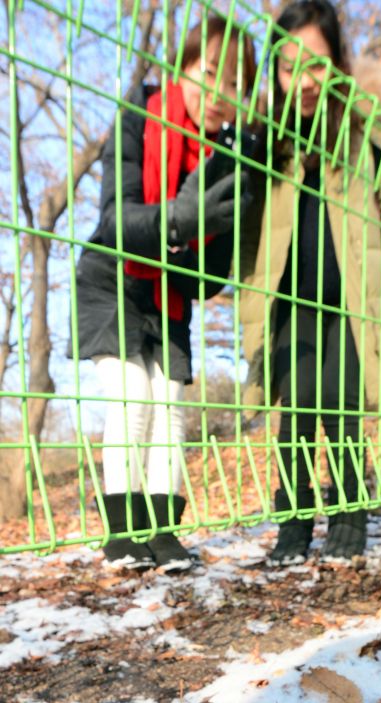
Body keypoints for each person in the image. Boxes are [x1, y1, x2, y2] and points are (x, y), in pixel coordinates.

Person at [74, 16, 256, 570]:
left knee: (170, 403)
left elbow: (211, 279)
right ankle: (123, 532)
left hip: (169, 294)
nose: (221, 93)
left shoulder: (226, 158)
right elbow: (114, 221)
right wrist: (180, 218)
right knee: (132, 396)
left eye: (236, 83)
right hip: (112, 280)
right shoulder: (139, 115)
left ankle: (162, 531)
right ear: (183, 67)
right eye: (211, 72)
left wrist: (214, 228)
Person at [240, 0, 381, 566]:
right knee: (295, 408)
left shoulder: (367, 127)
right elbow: (249, 221)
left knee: (341, 405)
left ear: (337, 62)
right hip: (290, 296)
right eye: (289, 66)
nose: (305, 80)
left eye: (315, 63)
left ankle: (348, 515)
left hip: (353, 293)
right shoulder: (268, 138)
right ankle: (293, 524)